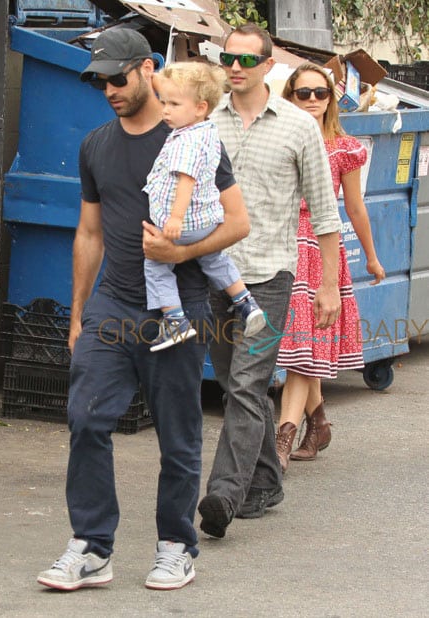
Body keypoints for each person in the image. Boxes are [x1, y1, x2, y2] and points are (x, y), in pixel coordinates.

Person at [36, 26, 250, 592]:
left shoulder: (197, 137)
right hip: (113, 304)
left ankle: (176, 546)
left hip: (179, 307)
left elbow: (238, 223)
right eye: (99, 80)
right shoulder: (96, 145)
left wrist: (180, 250)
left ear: (148, 68)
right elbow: (89, 232)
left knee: (178, 436)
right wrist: (79, 313)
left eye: (118, 77)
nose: (108, 88)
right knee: (86, 418)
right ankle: (91, 547)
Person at [143, 22, 341, 539]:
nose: (236, 68)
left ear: (268, 66)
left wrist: (327, 285)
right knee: (236, 390)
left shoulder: (299, 127)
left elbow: (325, 214)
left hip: (270, 277)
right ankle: (267, 482)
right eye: (229, 59)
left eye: (247, 61)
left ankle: (223, 497)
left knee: (249, 387)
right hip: (214, 273)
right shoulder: (202, 122)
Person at [275, 62, 385, 472]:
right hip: (280, 246)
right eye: (303, 93)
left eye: (320, 94)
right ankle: (318, 423)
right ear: (289, 96)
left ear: (330, 100)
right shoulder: (277, 138)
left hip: (320, 251)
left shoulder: (343, 147)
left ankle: (282, 440)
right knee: (301, 345)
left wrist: (372, 256)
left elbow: (355, 208)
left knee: (305, 348)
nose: (313, 101)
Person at [143, 62, 265, 352]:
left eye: (173, 104)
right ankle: (246, 303)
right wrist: (152, 77)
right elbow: (174, 87)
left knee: (156, 266)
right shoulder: (208, 129)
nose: (165, 110)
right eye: (163, 102)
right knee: (214, 259)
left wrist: (175, 218)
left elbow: (186, 180)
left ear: (200, 107)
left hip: (184, 224)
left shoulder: (185, 140)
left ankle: (175, 321)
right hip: (208, 221)